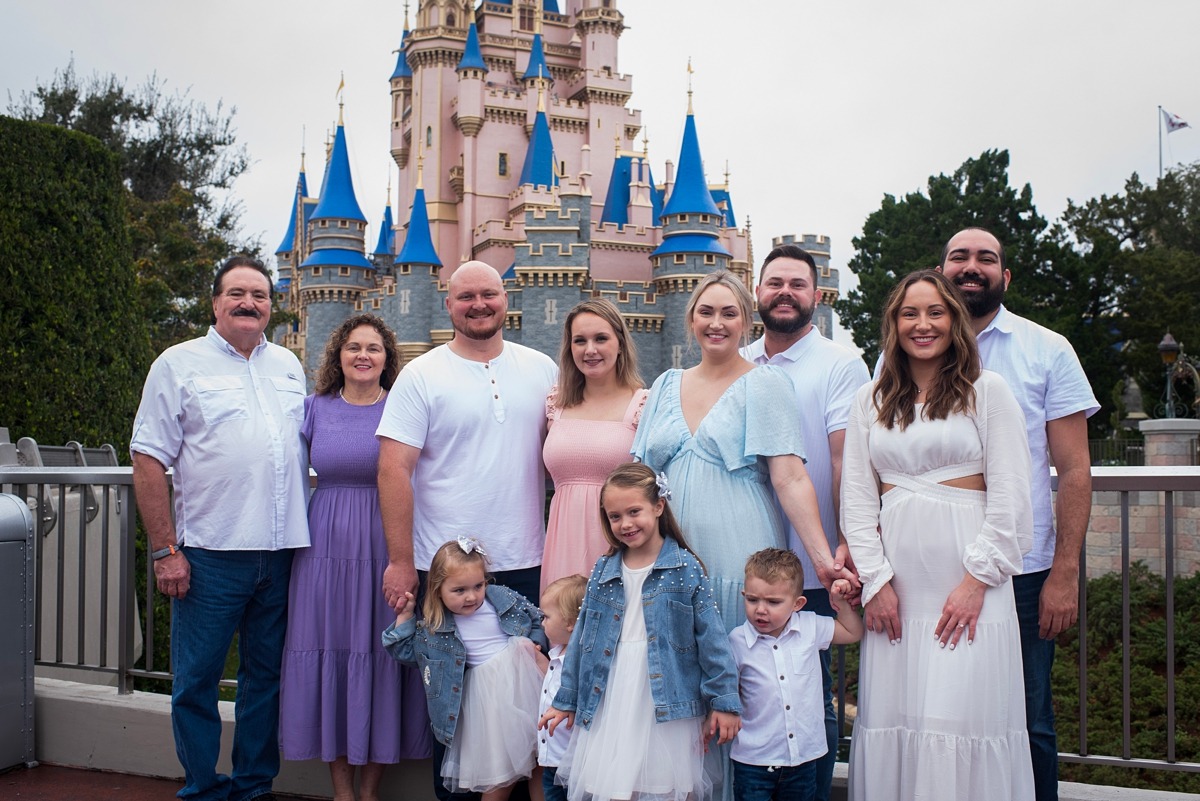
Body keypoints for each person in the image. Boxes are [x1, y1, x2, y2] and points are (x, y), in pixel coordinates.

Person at [841, 269, 1035, 801]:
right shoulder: (870, 399)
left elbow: (1012, 496)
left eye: (934, 312)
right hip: (898, 598)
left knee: (963, 720)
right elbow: (857, 501)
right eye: (909, 313)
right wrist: (876, 582)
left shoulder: (987, 391)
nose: (922, 324)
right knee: (898, 719)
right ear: (893, 324)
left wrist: (977, 582)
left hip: (969, 590)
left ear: (953, 320)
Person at [376, 259, 557, 800]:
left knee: (532, 707)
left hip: (526, 564)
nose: (479, 305)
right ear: (448, 304)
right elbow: (393, 469)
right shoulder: (422, 374)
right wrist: (402, 560)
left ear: (506, 299)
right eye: (465, 297)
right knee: (455, 706)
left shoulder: (543, 368)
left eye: (489, 294)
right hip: (446, 572)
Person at [131, 255, 310, 801]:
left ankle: (254, 786)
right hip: (208, 555)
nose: (248, 303)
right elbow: (147, 459)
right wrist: (165, 550)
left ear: (271, 306)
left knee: (265, 681)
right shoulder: (177, 364)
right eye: (237, 293)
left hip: (282, 554)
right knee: (196, 683)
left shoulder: (287, 366)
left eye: (259, 294)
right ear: (215, 303)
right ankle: (203, 789)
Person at [938, 227, 1098, 801]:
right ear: (941, 271)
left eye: (986, 259)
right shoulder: (905, 351)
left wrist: (1065, 570)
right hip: (933, 567)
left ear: (1005, 277)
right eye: (959, 257)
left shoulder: (1047, 350)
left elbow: (1075, 470)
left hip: (1023, 571)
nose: (971, 267)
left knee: (1028, 717)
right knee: (946, 711)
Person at [632, 271, 850, 634]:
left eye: (729, 314)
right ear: (691, 319)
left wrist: (824, 562)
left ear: (747, 322)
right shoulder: (665, 384)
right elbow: (639, 478)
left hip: (739, 551)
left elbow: (791, 478)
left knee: (739, 664)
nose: (716, 323)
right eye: (706, 312)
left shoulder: (766, 383)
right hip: (667, 553)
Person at [279, 314, 430, 801]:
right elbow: (279, 473)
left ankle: (369, 792)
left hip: (388, 543)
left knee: (381, 654)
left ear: (388, 358)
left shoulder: (403, 409)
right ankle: (342, 792)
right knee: (330, 653)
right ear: (337, 356)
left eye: (374, 348)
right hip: (322, 547)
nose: (363, 355)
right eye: (353, 347)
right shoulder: (313, 408)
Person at [741, 245, 869, 801]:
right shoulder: (740, 362)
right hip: (749, 562)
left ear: (817, 296)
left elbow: (846, 459)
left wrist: (843, 543)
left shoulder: (840, 365)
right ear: (758, 292)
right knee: (753, 690)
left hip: (815, 565)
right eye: (775, 283)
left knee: (812, 695)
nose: (785, 292)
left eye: (798, 283)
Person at [540, 463, 742, 801]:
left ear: (659, 506)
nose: (625, 524)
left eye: (634, 511)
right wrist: (567, 699)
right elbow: (583, 639)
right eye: (615, 516)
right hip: (611, 692)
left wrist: (724, 702)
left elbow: (712, 639)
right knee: (617, 786)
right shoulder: (604, 569)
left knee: (662, 786)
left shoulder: (685, 568)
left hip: (665, 699)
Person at [382, 538, 549, 801]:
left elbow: (536, 618)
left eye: (478, 586)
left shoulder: (501, 599)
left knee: (542, 762)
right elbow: (405, 653)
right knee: (499, 776)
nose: (472, 596)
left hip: (526, 687)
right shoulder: (436, 629)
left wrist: (535, 645)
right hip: (489, 708)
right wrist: (405, 617)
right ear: (438, 590)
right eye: (459, 590)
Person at [729, 549, 862, 801]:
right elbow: (728, 691)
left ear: (797, 604)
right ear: (743, 595)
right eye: (753, 600)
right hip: (754, 762)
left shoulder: (810, 626)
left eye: (773, 602)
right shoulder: (736, 641)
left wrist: (841, 603)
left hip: (803, 760)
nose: (761, 610)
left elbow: (853, 632)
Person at [542, 299, 648, 592]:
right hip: (562, 542)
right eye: (580, 341)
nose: (590, 350)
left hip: (617, 544)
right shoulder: (555, 403)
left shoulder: (643, 405)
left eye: (601, 338)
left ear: (620, 343)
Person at [537, 574, 588, 801]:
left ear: (569, 622)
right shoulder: (556, 654)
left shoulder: (581, 663)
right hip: (551, 762)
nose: (542, 623)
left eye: (546, 617)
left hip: (574, 764)